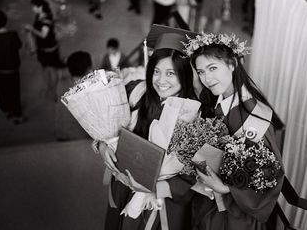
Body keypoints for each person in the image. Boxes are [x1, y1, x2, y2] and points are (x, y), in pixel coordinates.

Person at [99, 27, 197, 230]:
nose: (161, 81)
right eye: (156, 71)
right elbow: (105, 126)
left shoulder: (193, 113)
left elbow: (192, 177)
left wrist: (155, 189)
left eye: (171, 73)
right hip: (123, 184)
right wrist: (102, 146)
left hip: (159, 201)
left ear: (185, 74)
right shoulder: (136, 91)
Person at [188, 33, 284, 229]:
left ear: (233, 64)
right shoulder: (216, 103)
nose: (207, 78)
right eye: (201, 72)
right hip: (209, 204)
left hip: (235, 217)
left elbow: (271, 175)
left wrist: (225, 188)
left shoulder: (254, 116)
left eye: (213, 68)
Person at [0, 11, 26, 124]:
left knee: (2, 90)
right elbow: (19, 45)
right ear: (6, 21)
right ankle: (18, 114)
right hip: (12, 69)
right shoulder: (12, 35)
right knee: (14, 91)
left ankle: (7, 110)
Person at [24, 0, 63, 101]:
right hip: (42, 48)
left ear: (40, 7)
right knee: (45, 69)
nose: (33, 9)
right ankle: (49, 88)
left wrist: (31, 29)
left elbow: (43, 35)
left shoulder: (46, 19)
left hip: (49, 49)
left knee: (51, 69)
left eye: (34, 6)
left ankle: (53, 90)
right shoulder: (38, 15)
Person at [55, 51, 91, 140]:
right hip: (79, 137)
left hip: (61, 134)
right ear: (88, 70)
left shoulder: (61, 84)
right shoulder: (90, 90)